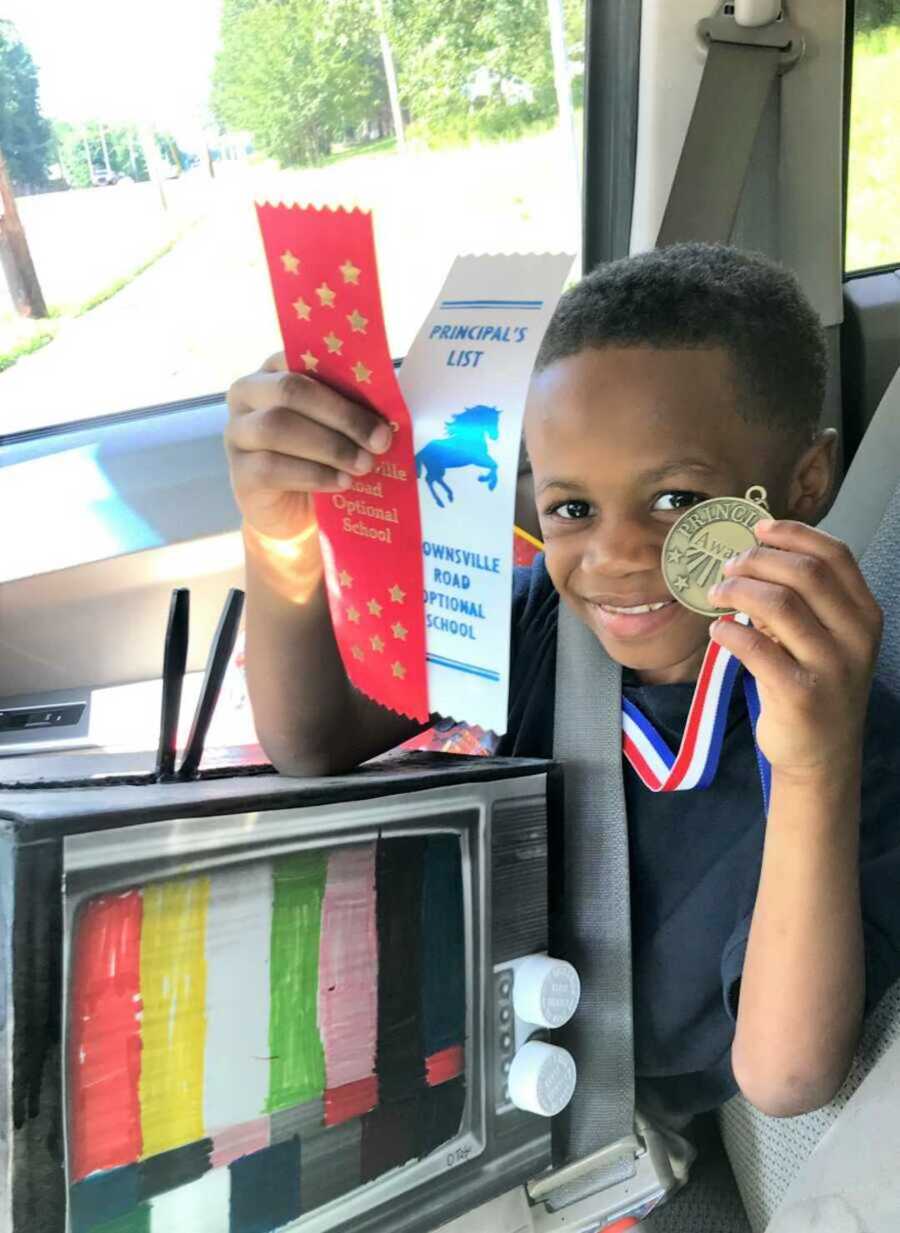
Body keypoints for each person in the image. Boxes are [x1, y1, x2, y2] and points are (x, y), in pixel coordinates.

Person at [225, 243, 900, 1127]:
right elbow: (312, 742)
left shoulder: (842, 739)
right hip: (468, 1058)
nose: (614, 555)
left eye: (674, 499)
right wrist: (279, 533)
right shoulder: (541, 617)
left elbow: (785, 1078)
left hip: (614, 1146)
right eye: (572, 508)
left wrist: (812, 769)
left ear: (805, 482)